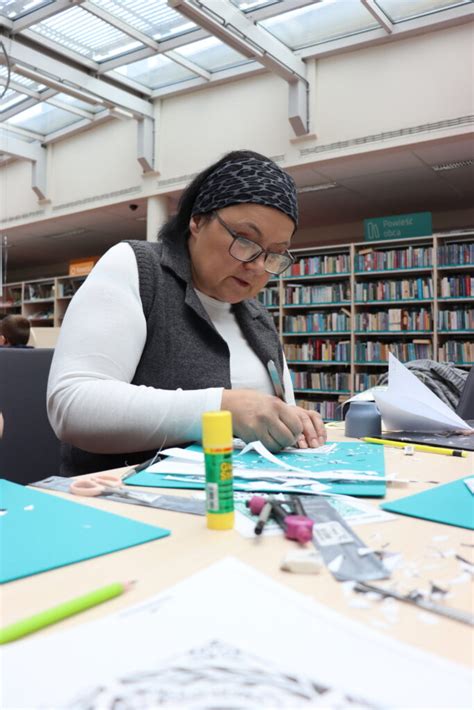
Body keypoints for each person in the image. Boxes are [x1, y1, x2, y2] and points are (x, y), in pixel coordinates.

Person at [47, 149, 327, 476]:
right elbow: (73, 405)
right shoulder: (137, 267)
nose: (256, 266)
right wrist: (221, 409)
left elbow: (278, 409)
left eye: (275, 254)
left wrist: (294, 422)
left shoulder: (257, 317)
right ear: (197, 220)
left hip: (240, 504)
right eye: (245, 239)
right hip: (129, 503)